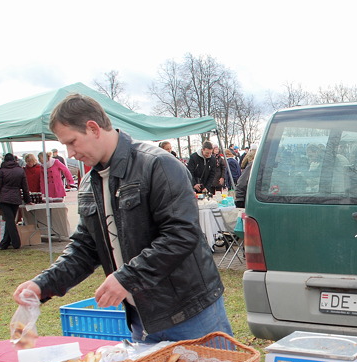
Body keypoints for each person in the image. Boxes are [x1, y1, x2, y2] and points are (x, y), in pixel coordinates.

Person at [12, 93, 232, 343]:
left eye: (72, 142)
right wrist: (43, 285)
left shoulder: (158, 164)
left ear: (93, 128)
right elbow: (84, 248)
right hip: (141, 316)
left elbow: (181, 235)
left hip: (190, 313)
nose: (70, 153)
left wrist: (127, 278)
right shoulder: (89, 183)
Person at [0, 153, 31, 250]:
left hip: (3, 198)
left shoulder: (2, 170)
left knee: (9, 221)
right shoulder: (20, 170)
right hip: (15, 197)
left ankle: (16, 242)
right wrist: (27, 200)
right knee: (11, 220)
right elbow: (25, 187)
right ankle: (5, 243)